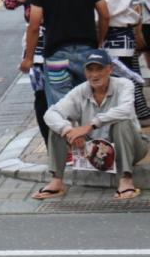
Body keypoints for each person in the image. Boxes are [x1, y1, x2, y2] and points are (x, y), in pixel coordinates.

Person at [38, 49, 148, 201]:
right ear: (85, 72)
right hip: (95, 150)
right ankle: (57, 180)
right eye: (90, 70)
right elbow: (51, 113)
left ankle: (125, 178)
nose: (94, 75)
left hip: (131, 147)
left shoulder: (124, 84)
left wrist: (91, 125)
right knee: (58, 127)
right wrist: (69, 131)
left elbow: (126, 109)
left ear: (110, 69)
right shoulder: (80, 90)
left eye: (100, 69)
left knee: (121, 122)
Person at [23, 0, 110, 110]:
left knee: (61, 109)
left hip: (57, 55)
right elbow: (105, 14)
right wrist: (99, 40)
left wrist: (29, 58)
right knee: (91, 103)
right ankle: (92, 135)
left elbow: (34, 26)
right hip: (88, 52)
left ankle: (67, 135)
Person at [90, 0, 150, 123]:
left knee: (122, 81)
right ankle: (135, 118)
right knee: (125, 78)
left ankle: (132, 121)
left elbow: (110, 5)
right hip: (104, 31)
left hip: (118, 31)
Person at [5, 0, 51, 142]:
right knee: (41, 96)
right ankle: (49, 142)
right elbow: (7, 2)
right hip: (36, 46)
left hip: (58, 42)